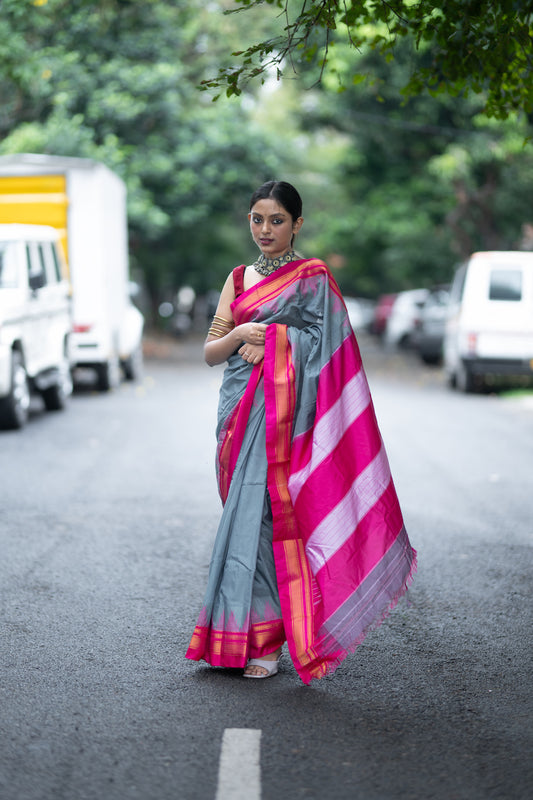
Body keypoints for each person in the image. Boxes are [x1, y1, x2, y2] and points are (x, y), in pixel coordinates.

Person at [186, 181, 416, 683]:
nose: (265, 230)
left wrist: (276, 341)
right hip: (239, 417)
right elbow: (210, 351)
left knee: (272, 518)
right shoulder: (238, 277)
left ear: (297, 224)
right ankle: (236, 635)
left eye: (276, 221)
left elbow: (335, 347)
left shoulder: (313, 278)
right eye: (257, 219)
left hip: (290, 419)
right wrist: (243, 335)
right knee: (246, 521)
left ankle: (266, 644)